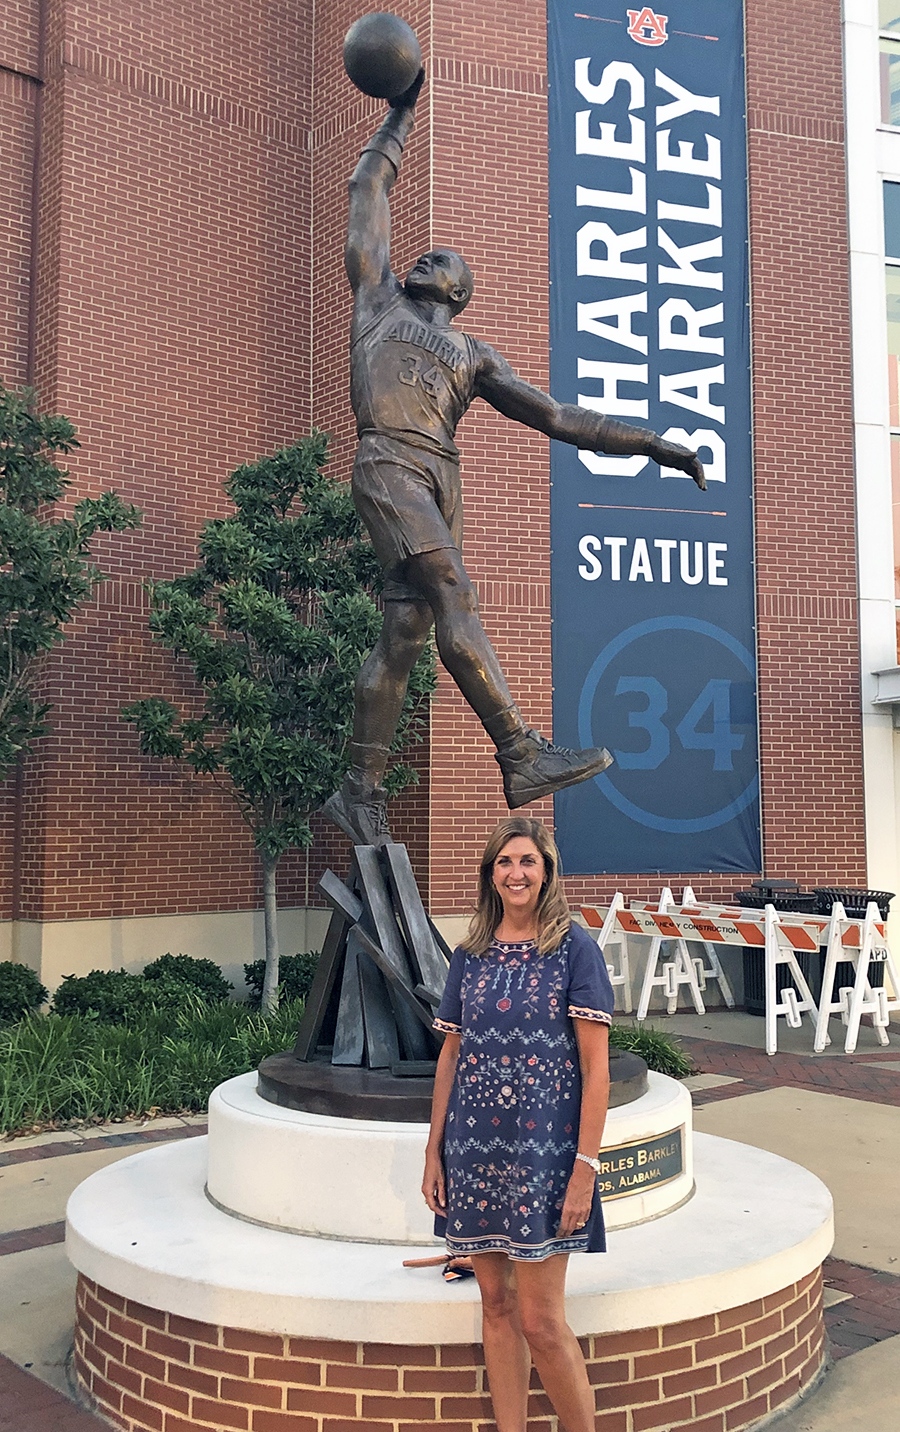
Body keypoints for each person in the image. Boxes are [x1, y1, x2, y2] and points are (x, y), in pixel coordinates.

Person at [323, 71, 706, 847]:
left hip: (440, 476)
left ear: (459, 291)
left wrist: (651, 443)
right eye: (420, 253)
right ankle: (520, 752)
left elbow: (561, 417)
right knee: (455, 591)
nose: (421, 257)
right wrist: (399, 118)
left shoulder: (475, 355)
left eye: (439, 259)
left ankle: (358, 791)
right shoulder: (377, 304)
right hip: (389, 463)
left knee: (404, 635)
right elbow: (367, 192)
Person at [422, 817, 614, 1432]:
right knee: (495, 1306)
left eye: (527, 861)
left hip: (545, 1158)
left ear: (547, 871)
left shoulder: (574, 949)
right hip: (474, 1153)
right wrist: (433, 1153)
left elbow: (597, 1069)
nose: (516, 873)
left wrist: (585, 1168)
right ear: (490, 874)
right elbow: (451, 1056)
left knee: (542, 1321)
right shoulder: (470, 955)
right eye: (504, 862)